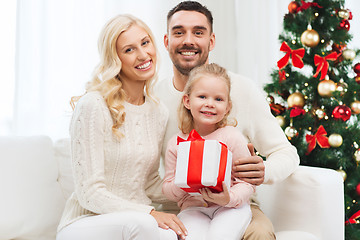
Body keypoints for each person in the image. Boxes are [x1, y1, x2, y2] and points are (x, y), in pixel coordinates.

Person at [155, 1, 300, 239]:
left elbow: (287, 153)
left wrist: (263, 171)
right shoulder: (153, 98)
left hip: (235, 202)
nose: (188, 40)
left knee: (260, 234)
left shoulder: (242, 89)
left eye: (198, 32)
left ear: (211, 41)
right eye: (178, 32)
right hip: (178, 207)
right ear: (167, 41)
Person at [56, 14, 187, 240]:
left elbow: (149, 183)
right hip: (85, 222)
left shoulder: (158, 111)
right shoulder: (93, 105)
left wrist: (194, 193)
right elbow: (90, 193)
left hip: (136, 220)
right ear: (114, 58)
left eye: (145, 43)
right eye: (129, 50)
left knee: (174, 233)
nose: (143, 55)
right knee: (145, 225)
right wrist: (150, 213)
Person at [162, 63, 255, 240]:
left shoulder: (232, 137)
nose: (210, 104)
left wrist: (229, 198)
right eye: (202, 96)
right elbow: (167, 187)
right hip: (193, 208)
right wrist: (183, 182)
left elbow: (248, 183)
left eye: (218, 99)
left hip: (230, 207)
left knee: (220, 236)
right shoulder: (177, 143)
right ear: (187, 101)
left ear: (227, 107)